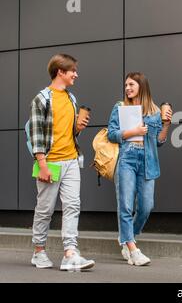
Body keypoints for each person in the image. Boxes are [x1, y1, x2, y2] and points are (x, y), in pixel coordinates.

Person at [30, 54, 95, 270]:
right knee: (45, 209)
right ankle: (39, 251)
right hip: (50, 162)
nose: (76, 74)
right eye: (72, 70)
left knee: (72, 206)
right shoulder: (42, 99)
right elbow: (37, 134)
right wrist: (43, 165)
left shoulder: (71, 98)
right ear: (60, 71)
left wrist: (79, 127)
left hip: (71, 160)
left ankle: (70, 252)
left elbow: (70, 132)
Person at [108, 72, 172, 266]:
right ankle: (132, 248)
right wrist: (133, 132)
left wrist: (166, 124)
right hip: (126, 159)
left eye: (131, 84)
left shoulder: (154, 111)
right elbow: (111, 134)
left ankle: (128, 239)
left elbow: (159, 142)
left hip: (147, 161)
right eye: (126, 85)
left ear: (141, 86)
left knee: (146, 207)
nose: (127, 88)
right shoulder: (120, 107)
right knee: (126, 205)